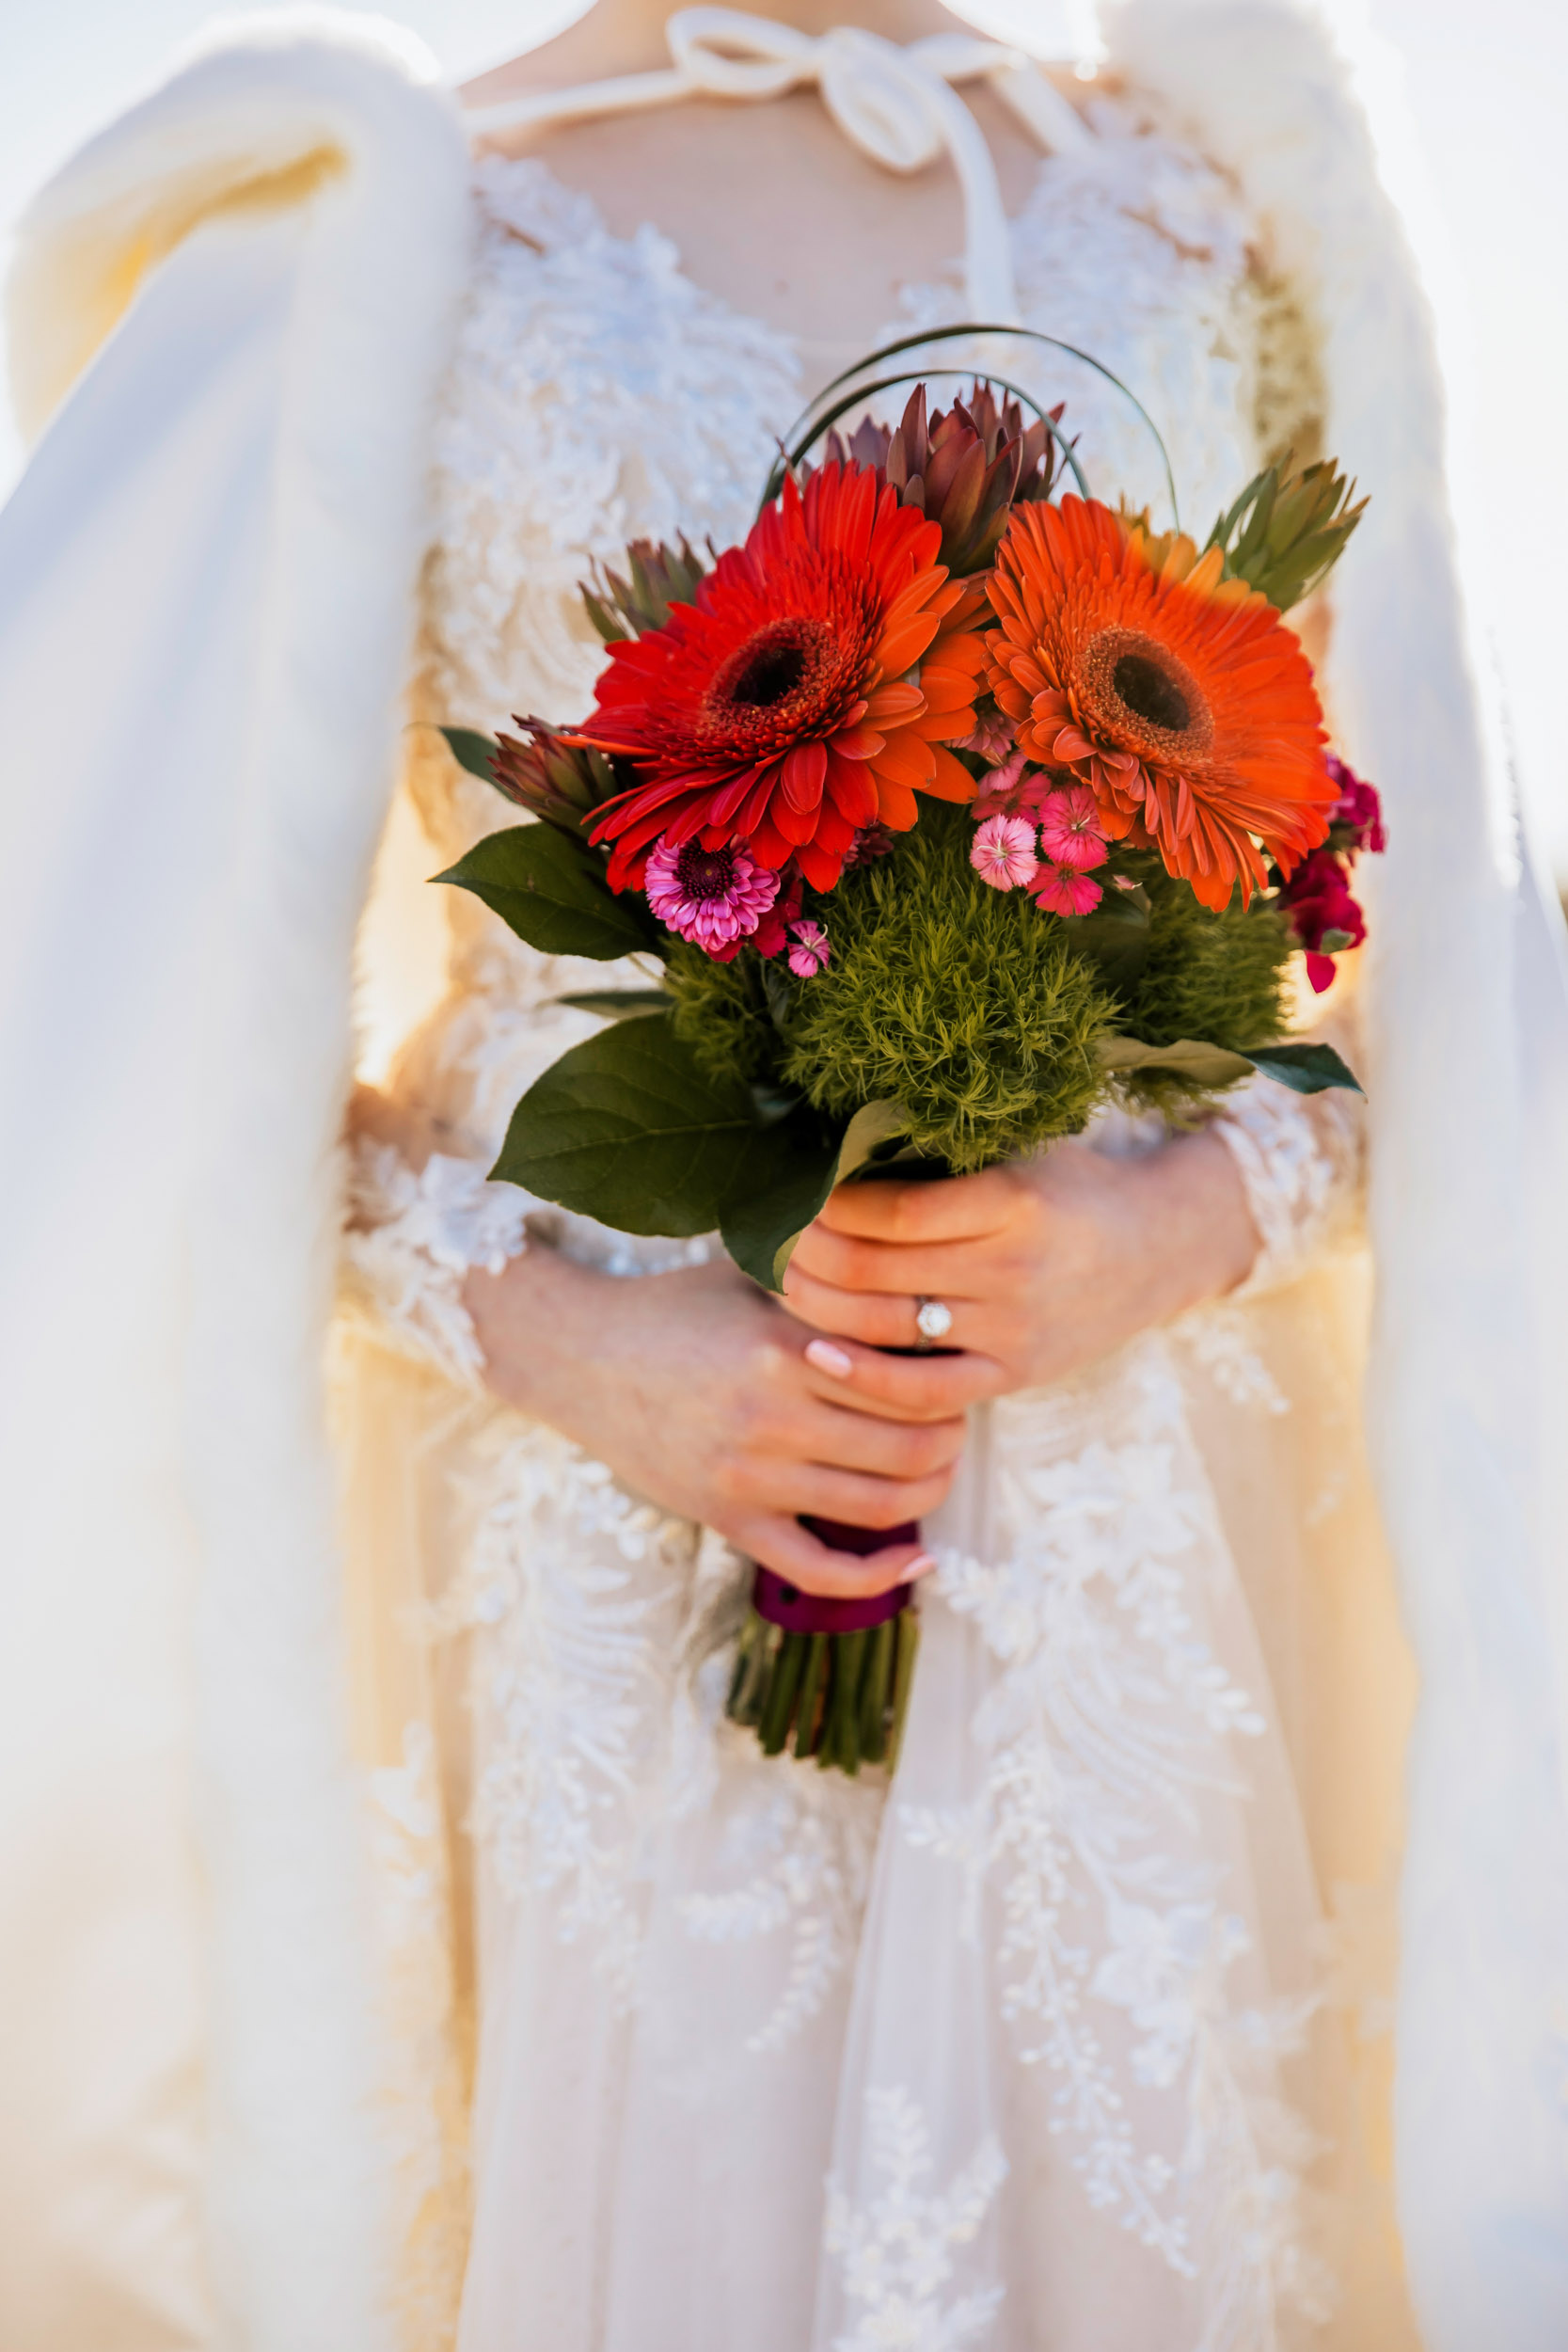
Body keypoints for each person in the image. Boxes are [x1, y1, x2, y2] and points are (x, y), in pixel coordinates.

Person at [3, 2, 1567, 2347]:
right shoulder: (377, 226)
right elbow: (111, 1036)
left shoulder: (1215, 198)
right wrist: (567, 1336)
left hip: (1137, 1529)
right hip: (604, 1548)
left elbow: (1417, 961)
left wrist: (1166, 1220)